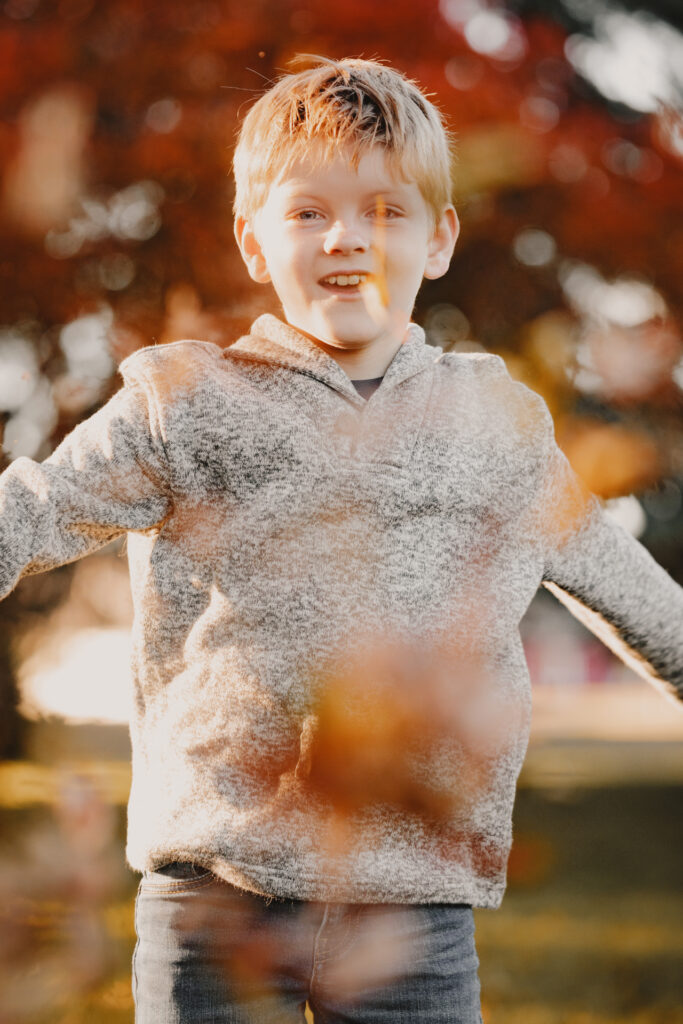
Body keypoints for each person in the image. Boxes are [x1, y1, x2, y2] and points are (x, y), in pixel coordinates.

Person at [1, 56, 681, 1024]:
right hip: (215, 900)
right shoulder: (184, 402)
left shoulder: (496, 421)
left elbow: (634, 595)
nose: (345, 239)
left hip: (413, 901)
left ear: (438, 238)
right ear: (251, 239)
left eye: (384, 211)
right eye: (307, 212)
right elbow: (28, 510)